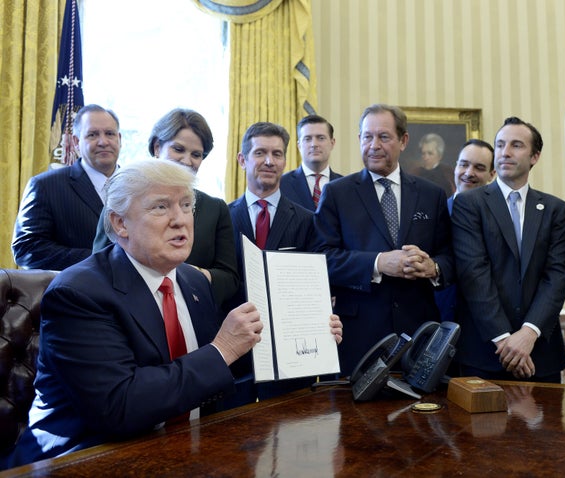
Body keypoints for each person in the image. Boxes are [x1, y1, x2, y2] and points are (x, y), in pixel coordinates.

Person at [4, 159, 342, 468]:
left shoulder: (193, 281)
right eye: (161, 207)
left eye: (186, 205)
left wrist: (303, 340)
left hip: (184, 449)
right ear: (120, 223)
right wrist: (223, 348)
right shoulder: (78, 293)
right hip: (86, 457)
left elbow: (220, 369)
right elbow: (119, 407)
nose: (180, 219)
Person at [315, 104, 454, 376]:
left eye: (384, 137)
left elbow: (450, 257)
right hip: (358, 337)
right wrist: (378, 263)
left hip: (419, 334)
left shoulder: (432, 194)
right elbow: (322, 258)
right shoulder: (337, 194)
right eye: (367, 137)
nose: (374, 145)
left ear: (403, 141)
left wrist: (433, 268)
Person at [452, 116, 565, 383]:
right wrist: (506, 341)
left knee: (544, 425)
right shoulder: (470, 204)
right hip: (486, 351)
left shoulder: (555, 209)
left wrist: (528, 333)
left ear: (535, 156)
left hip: (540, 350)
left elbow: (557, 275)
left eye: (516, 145)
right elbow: (474, 274)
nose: (505, 152)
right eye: (501, 144)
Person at [92, 108, 239, 305]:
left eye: (196, 154)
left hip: (195, 312)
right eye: (178, 149)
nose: (187, 160)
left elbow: (229, 279)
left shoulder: (216, 208)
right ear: (157, 147)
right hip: (131, 308)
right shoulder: (123, 197)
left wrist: (189, 276)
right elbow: (100, 264)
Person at [226, 122, 319, 401]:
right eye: (260, 153)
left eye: (277, 154)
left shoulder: (307, 220)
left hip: (289, 356)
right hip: (236, 354)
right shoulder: (222, 218)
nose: (269, 161)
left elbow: (311, 289)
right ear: (242, 160)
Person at [12, 104, 121, 270]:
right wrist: (99, 259)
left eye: (110, 134)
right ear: (76, 142)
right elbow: (26, 249)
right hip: (76, 291)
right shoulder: (45, 186)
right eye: (92, 134)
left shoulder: (141, 185)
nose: (103, 142)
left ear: (119, 138)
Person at [435, 139, 495, 322]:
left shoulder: (500, 218)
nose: (469, 173)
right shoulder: (436, 212)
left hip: (485, 321)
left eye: (479, 167)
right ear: (455, 167)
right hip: (440, 317)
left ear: (492, 174)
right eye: (464, 164)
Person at [280, 114, 343, 210]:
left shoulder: (345, 186)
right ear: (299, 145)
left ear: (332, 143)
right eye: (308, 139)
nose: (314, 144)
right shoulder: (281, 184)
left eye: (321, 138)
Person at [417, 133, 455, 197]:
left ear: (440, 155)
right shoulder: (416, 172)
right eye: (423, 153)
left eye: (430, 153)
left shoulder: (447, 174)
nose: (426, 157)